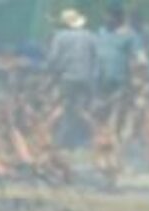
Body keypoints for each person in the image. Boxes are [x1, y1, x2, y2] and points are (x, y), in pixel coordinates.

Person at [48, 8, 99, 147]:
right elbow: (97, 58)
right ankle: (90, 139)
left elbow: (53, 59)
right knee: (85, 109)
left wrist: (52, 75)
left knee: (66, 108)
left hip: (67, 78)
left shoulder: (60, 37)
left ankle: (61, 141)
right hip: (87, 78)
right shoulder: (90, 36)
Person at [96, 4, 142, 98]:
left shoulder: (129, 34)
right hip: (100, 79)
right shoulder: (101, 31)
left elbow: (139, 57)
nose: (106, 18)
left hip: (119, 81)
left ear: (118, 17)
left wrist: (138, 78)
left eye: (109, 15)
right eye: (106, 15)